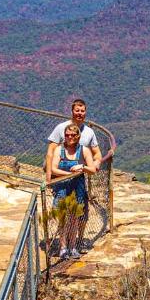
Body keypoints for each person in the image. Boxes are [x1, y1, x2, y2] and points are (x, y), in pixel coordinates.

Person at [46, 98, 102, 251]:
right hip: (63, 180)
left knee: (79, 215)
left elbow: (97, 154)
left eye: (82, 111)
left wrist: (95, 165)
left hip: (79, 180)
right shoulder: (61, 128)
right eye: (77, 110)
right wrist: (49, 177)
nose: (80, 113)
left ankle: (76, 242)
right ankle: (65, 246)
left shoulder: (89, 132)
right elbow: (50, 153)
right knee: (63, 215)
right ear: (72, 111)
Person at [47, 122, 94, 258]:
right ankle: (63, 247)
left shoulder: (84, 150)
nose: (70, 137)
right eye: (67, 135)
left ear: (78, 136)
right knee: (63, 218)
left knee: (74, 218)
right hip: (62, 187)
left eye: (73, 135)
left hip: (77, 188)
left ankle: (72, 246)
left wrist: (82, 167)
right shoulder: (59, 150)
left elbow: (92, 169)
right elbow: (53, 168)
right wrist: (69, 174)